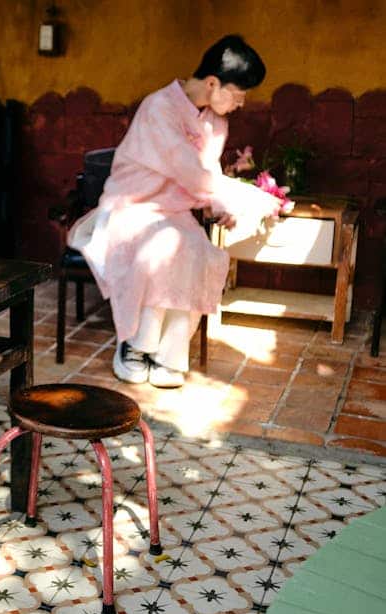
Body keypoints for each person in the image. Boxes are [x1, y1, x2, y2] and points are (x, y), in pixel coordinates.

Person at [68, 34, 282, 389]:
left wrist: (220, 207)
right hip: (131, 208)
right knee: (164, 249)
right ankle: (135, 346)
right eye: (238, 94)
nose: (241, 103)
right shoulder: (159, 108)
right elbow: (190, 171)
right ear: (212, 83)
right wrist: (239, 199)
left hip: (174, 213)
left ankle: (169, 356)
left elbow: (207, 174)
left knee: (194, 252)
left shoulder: (216, 122)